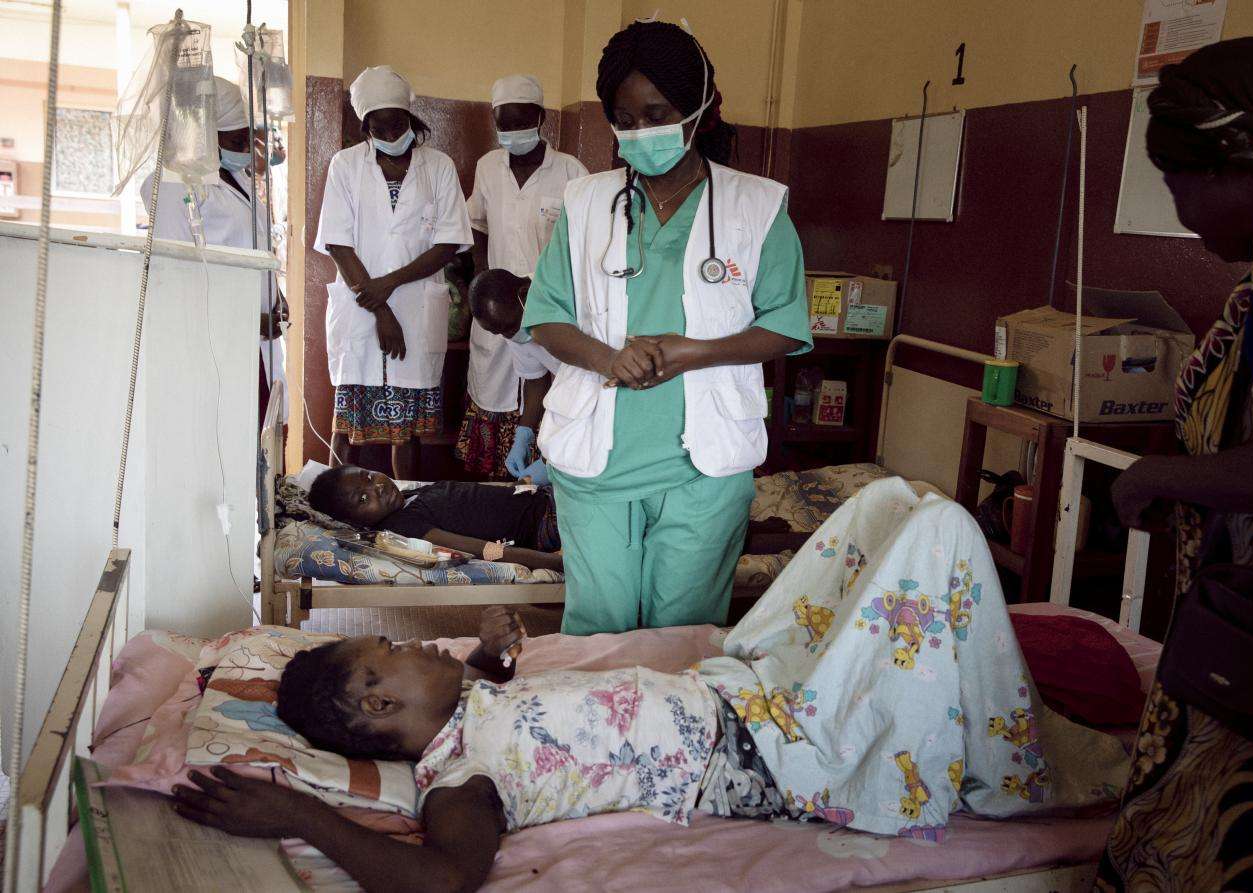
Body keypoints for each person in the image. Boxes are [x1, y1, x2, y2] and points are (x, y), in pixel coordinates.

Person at [167, 484, 1131, 892]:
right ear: (380, 705)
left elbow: (501, 690)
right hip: (775, 745)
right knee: (941, 533)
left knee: (883, 508)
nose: (420, 648)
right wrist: (293, 810)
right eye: (391, 650)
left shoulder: (468, 700)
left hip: (742, 680)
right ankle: (1016, 770)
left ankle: (926, 606)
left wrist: (497, 655)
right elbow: (441, 879)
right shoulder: (461, 782)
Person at [1099, 36, 1253, 891]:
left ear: (1231, 166)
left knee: (1236, 847)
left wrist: (1153, 476)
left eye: (1179, 186)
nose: (1184, 213)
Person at [523, 22, 812, 635]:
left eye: (658, 114)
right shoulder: (584, 203)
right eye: (624, 121)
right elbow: (545, 315)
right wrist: (607, 359)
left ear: (701, 109)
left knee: (684, 633)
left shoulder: (757, 208)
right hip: (596, 461)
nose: (641, 133)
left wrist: (695, 352)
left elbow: (786, 326)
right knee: (597, 628)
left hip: (703, 469)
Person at [315, 65, 473, 480]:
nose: (389, 135)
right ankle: (333, 509)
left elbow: (448, 243)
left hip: (416, 307)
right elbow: (337, 241)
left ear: (411, 119)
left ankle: (405, 506)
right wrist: (381, 309)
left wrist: (386, 285)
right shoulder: (345, 165)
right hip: (361, 307)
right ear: (365, 125)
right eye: (379, 127)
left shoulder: (437, 167)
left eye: (397, 123)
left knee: (408, 433)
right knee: (346, 424)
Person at [457, 74, 588, 480]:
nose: (512, 132)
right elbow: (475, 224)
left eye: (521, 121)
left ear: (540, 117)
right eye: (503, 123)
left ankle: (546, 475)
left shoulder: (571, 171)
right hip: (498, 308)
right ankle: (500, 485)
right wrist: (482, 284)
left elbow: (586, 241)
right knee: (498, 392)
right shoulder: (488, 167)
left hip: (547, 305)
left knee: (563, 392)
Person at [142, 76, 288, 421]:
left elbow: (254, 244)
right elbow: (177, 277)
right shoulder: (170, 187)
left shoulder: (233, 177)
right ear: (204, 136)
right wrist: (246, 320)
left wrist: (276, 296)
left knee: (261, 437)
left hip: (256, 335)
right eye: (237, 139)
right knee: (229, 435)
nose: (246, 148)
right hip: (215, 338)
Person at [307, 464, 562, 572]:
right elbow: (482, 550)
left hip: (544, 498)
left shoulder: (408, 496)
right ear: (355, 522)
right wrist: (558, 564)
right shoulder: (403, 526)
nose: (378, 488)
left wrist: (523, 484)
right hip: (547, 522)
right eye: (363, 499)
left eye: (369, 477)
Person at [468, 268, 560, 486]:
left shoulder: (562, 303)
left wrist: (550, 461)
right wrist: (524, 433)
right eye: (499, 332)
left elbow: (584, 389)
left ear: (525, 294)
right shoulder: (510, 319)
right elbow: (535, 379)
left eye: (509, 328)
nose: (509, 336)